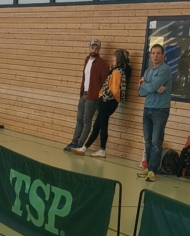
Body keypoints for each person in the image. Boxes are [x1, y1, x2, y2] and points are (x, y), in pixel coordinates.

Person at [72, 49, 129, 158]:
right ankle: (84, 148)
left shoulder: (117, 71)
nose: (112, 58)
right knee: (97, 126)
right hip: (107, 101)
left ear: (119, 58)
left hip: (107, 101)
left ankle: (102, 150)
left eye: (114, 57)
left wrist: (106, 96)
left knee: (103, 126)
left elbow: (115, 90)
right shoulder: (116, 70)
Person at [64, 39, 108, 151]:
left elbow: (105, 82)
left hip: (93, 97)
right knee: (79, 119)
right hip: (84, 94)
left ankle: (80, 144)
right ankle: (74, 141)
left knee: (86, 120)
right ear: (89, 48)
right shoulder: (87, 59)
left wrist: (99, 96)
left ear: (99, 50)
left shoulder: (102, 64)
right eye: (92, 48)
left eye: (96, 48)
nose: (94, 50)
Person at [137, 43, 172, 182]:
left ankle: (153, 170)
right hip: (147, 108)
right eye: (153, 53)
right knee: (148, 141)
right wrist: (152, 87)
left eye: (158, 53)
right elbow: (141, 92)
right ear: (150, 55)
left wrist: (145, 84)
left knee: (156, 142)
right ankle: (148, 167)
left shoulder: (165, 70)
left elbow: (149, 87)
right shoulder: (147, 71)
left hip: (160, 110)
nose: (155, 55)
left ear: (163, 55)